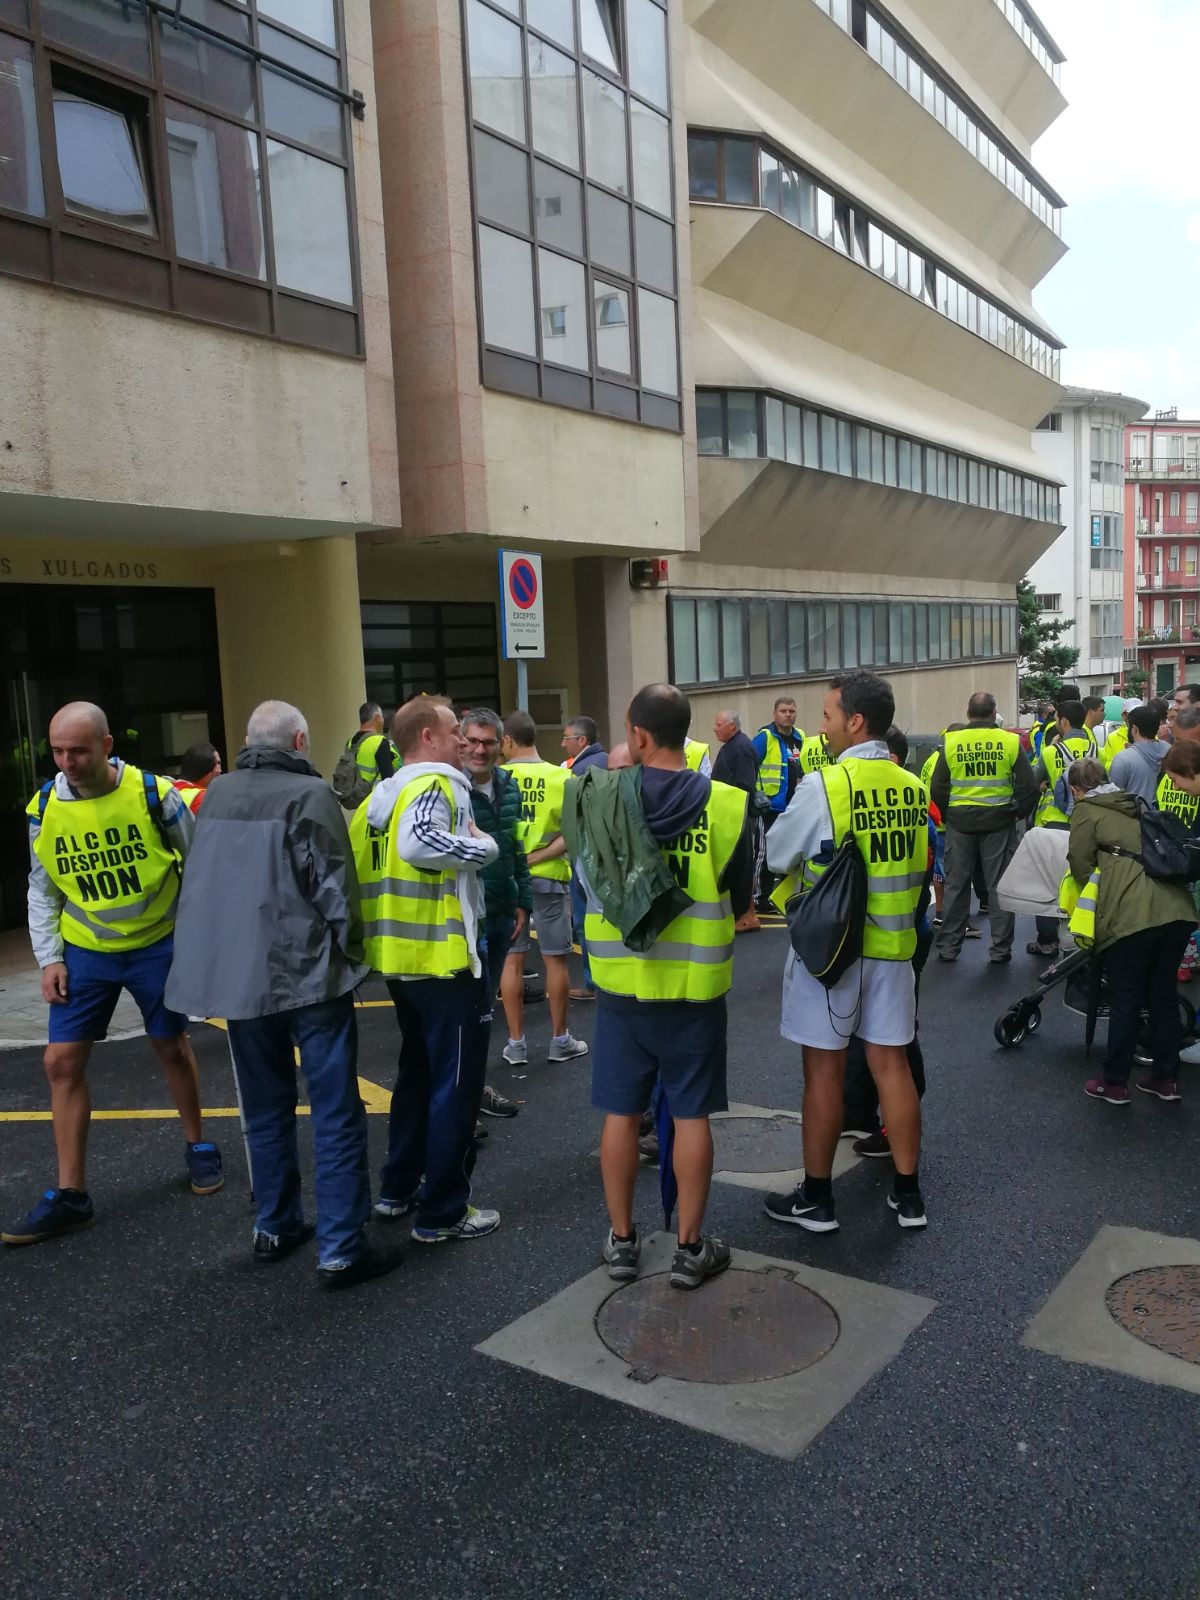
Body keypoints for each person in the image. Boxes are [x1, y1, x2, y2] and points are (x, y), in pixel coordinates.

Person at [164, 700, 398, 1288]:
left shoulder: (217, 795)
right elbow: (335, 890)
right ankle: (342, 1247)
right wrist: (354, 956)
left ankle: (275, 1224)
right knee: (335, 1111)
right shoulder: (311, 796)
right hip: (308, 975)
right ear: (299, 741)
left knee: (265, 1107)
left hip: (240, 982)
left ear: (247, 744)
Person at [3, 702, 220, 1248]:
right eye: (57, 751)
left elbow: (199, 864)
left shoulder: (155, 795)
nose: (67, 762)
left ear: (106, 746)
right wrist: (50, 958)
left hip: (157, 943)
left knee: (170, 1046)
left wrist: (199, 941)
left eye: (78, 750)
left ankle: (197, 1144)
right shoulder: (44, 807)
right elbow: (41, 887)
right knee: (59, 1061)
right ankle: (71, 1195)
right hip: (88, 950)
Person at [569, 683, 753, 1288]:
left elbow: (590, 887)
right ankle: (691, 1249)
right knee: (693, 1115)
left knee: (622, 1114)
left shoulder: (600, 798)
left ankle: (623, 1243)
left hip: (621, 986)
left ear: (639, 735)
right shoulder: (727, 803)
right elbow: (742, 901)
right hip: (695, 987)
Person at [763, 672, 928, 1232]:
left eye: (828, 716)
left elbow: (778, 854)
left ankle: (817, 1198)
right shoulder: (911, 786)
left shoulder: (827, 785)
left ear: (855, 722)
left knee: (823, 1071)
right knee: (891, 1065)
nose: (821, 727)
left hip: (832, 952)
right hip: (894, 947)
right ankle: (908, 1195)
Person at [355, 697, 502, 1243]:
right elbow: (420, 842)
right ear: (426, 737)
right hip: (443, 961)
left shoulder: (380, 798)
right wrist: (483, 848)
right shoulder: (437, 783)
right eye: (453, 729)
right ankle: (443, 1212)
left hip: (401, 961)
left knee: (417, 1077)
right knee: (455, 1088)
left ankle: (398, 1188)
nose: (462, 740)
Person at [1064, 757, 1194, 1105]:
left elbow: (1079, 862)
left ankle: (1115, 1082)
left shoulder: (1086, 810)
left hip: (1132, 914)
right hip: (1177, 910)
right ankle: (1166, 1079)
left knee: (1126, 996)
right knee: (1162, 995)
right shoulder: (1133, 801)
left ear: (1075, 790)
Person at [842, 727, 934, 1160]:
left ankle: (889, 1125)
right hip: (898, 932)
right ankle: (860, 1112)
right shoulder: (914, 797)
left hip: (893, 935)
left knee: (893, 1038)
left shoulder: (901, 797)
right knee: (875, 1033)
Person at [500, 711, 588, 1064]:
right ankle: (559, 1039)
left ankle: (516, 1044)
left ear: (507, 740)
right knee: (555, 959)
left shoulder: (497, 778)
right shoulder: (562, 777)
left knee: (512, 960)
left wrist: (519, 861)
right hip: (550, 878)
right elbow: (571, 833)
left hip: (508, 881)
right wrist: (538, 857)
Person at [931, 693, 1039, 965]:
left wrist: (949, 814)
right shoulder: (1009, 741)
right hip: (999, 822)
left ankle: (949, 947)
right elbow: (1028, 787)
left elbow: (938, 787)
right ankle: (1000, 949)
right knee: (999, 887)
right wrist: (1016, 814)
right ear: (994, 713)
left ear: (968, 714)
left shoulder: (952, 741)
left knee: (956, 886)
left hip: (960, 823)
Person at [461, 708, 528, 1118]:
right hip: (471, 919)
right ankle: (467, 1093)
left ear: (500, 745)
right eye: (473, 741)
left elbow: (517, 845)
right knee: (471, 1009)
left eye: (488, 742)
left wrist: (524, 900)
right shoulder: (451, 788)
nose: (480, 750)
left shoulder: (509, 785)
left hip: (504, 911)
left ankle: (473, 1088)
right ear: (461, 741)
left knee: (485, 1007)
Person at [1027, 702, 1096, 958]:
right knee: (1080, 882)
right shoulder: (1095, 749)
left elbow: (1033, 780)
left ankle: (1047, 942)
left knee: (1047, 885)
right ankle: (1080, 937)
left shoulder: (1050, 751)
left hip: (1052, 824)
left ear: (1064, 721)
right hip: (1085, 825)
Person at [560, 715, 606, 996]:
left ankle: (592, 982)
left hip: (584, 855)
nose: (562, 743)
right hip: (605, 853)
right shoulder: (607, 761)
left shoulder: (578, 771)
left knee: (584, 920)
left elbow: (571, 819)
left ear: (581, 740)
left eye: (566, 738)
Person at [752, 696, 805, 908]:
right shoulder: (765, 737)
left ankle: (783, 897)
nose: (788, 715)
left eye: (792, 711)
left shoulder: (800, 737)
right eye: (784, 711)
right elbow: (750, 764)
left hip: (794, 806)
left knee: (791, 854)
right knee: (764, 853)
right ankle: (760, 897)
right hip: (770, 806)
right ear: (775, 714)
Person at [712, 710, 761, 932]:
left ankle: (747, 915)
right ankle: (742, 913)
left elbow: (744, 785)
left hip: (737, 816)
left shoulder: (740, 748)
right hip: (731, 815)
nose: (714, 728)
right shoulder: (733, 745)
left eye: (718, 724)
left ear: (732, 726)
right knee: (738, 866)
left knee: (742, 866)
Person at [1109, 704, 1170, 807]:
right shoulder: (1169, 750)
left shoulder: (1123, 759)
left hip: (1134, 814)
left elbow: (1114, 796)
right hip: (1164, 814)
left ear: (1134, 729)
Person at [342, 702, 398, 795]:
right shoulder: (379, 742)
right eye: (382, 716)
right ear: (377, 717)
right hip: (374, 799)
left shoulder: (351, 742)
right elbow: (388, 780)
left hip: (356, 798)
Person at [173, 741, 222, 814]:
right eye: (217, 763)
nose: (220, 770)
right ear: (206, 769)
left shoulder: (172, 790)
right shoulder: (204, 799)